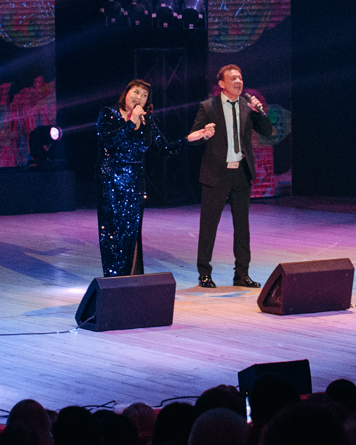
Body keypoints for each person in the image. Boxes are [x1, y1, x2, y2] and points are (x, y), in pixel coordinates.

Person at [98, 79, 208, 276]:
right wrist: (131, 122)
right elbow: (110, 142)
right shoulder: (109, 114)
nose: (139, 98)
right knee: (113, 234)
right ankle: (112, 281)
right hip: (111, 183)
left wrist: (188, 139)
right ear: (126, 92)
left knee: (131, 233)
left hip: (135, 184)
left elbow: (164, 149)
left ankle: (130, 280)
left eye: (144, 95)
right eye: (136, 92)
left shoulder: (147, 121)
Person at [187, 64, 274, 288]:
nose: (238, 81)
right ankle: (204, 274)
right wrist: (204, 134)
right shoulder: (208, 107)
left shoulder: (247, 106)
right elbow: (194, 138)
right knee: (209, 226)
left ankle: (242, 274)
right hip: (216, 173)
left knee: (242, 227)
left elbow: (267, 131)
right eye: (233, 78)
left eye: (240, 78)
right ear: (222, 84)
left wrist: (260, 112)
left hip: (241, 173)